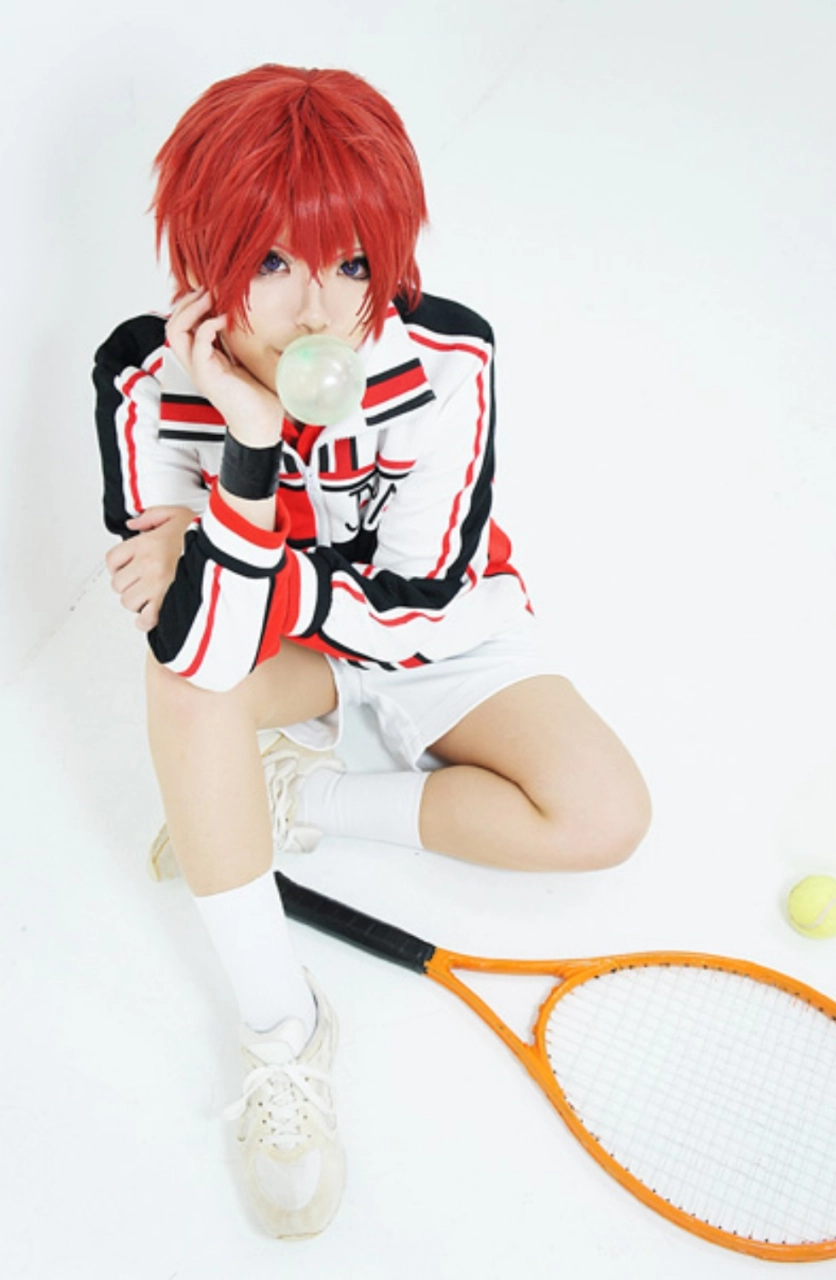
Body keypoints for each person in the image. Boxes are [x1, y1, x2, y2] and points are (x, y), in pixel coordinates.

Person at [93, 63, 651, 1240]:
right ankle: (281, 1031)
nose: (319, 309)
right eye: (273, 261)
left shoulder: (447, 360)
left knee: (605, 814)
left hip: (434, 635)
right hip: (287, 648)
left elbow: (423, 598)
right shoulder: (145, 380)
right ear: (205, 253)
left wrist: (234, 546)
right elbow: (197, 641)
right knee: (183, 682)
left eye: (352, 263)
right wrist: (249, 444)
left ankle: (297, 798)